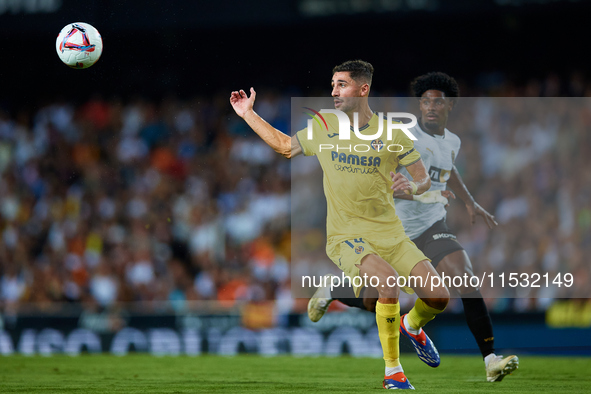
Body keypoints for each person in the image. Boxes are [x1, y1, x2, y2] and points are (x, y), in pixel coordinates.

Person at [230, 60, 450, 390]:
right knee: (387, 285)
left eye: (341, 84)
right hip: (346, 234)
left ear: (363, 89)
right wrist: (248, 113)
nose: (333, 91)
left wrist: (411, 187)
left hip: (390, 232)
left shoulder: (393, 134)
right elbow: (284, 146)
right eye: (332, 84)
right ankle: (394, 372)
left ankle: (411, 325)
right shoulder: (323, 127)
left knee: (438, 297)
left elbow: (422, 182)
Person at [307, 72, 519, 382]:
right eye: (425, 102)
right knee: (375, 299)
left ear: (450, 107)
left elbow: (448, 170)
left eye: (438, 102)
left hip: (432, 225)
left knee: (465, 279)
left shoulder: (452, 142)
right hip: (394, 231)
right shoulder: (399, 134)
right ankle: (333, 290)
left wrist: (469, 201)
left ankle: (490, 359)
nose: (431, 107)